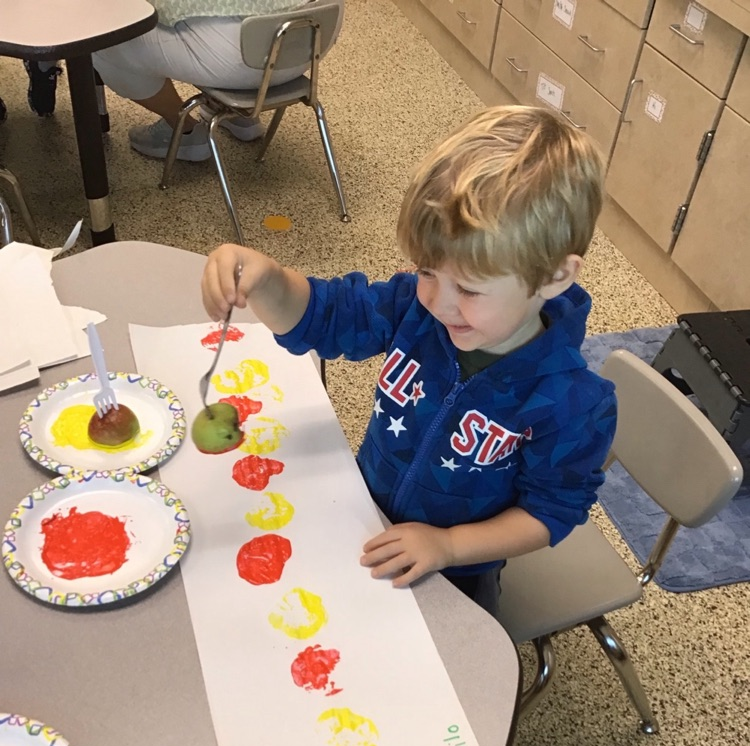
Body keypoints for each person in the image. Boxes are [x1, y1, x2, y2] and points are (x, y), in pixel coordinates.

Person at [200, 105, 618, 614]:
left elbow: (551, 511)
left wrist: (449, 548)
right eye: (426, 272)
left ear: (554, 277)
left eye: (468, 288)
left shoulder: (573, 402)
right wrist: (267, 280)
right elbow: (327, 316)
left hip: (458, 572)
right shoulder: (413, 310)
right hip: (361, 516)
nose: (438, 303)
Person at [92, 0, 339, 162]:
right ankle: (242, 116)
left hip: (235, 59)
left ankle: (183, 130)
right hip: (310, 43)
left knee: (106, 41)